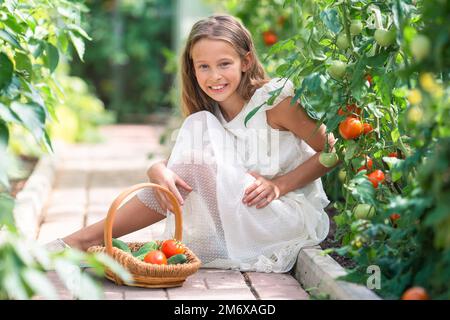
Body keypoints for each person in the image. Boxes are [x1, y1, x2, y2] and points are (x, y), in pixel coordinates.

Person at [46, 14, 336, 273]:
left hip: (281, 215)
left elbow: (334, 150)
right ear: (193, 68)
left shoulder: (274, 102)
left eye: (224, 64)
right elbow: (184, 165)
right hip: (239, 214)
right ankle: (89, 239)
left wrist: (280, 184)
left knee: (195, 142)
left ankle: (85, 240)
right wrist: (156, 169)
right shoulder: (210, 112)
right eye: (204, 67)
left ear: (246, 61)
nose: (214, 76)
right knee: (195, 132)